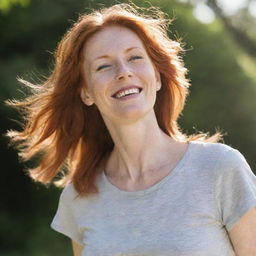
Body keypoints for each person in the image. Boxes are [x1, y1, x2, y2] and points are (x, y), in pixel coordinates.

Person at [7, 3, 256, 256]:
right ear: (86, 93)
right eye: (104, 66)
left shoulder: (220, 168)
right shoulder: (80, 196)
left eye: (135, 58)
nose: (124, 72)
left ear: (157, 77)